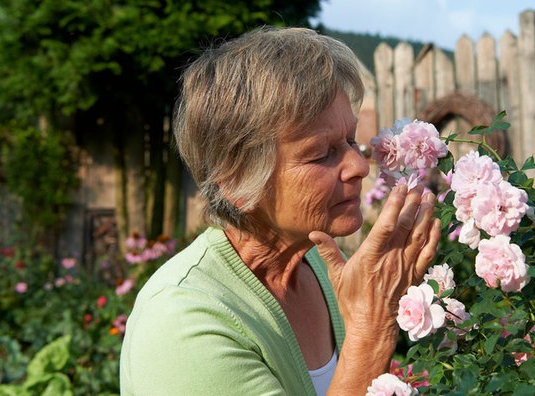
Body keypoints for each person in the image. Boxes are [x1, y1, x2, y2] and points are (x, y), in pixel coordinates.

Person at [119, 26, 441, 395]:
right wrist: (373, 326)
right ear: (238, 181)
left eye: (351, 140)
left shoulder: (316, 265)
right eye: (322, 153)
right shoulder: (184, 323)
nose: (359, 166)